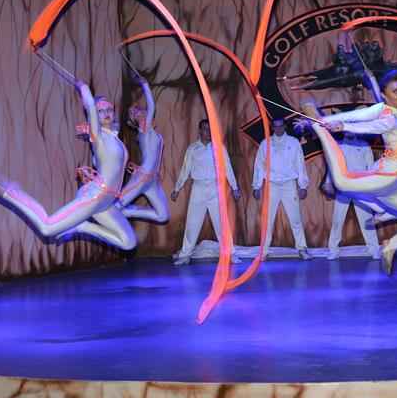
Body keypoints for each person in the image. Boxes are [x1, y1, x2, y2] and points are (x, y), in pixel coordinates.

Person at [298, 70, 397, 275]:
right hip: (387, 178)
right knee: (342, 181)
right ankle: (319, 127)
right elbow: (370, 123)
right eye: (395, 91)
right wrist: (337, 124)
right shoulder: (388, 116)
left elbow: (372, 111)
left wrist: (372, 81)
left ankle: (391, 246)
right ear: (384, 95)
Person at [0, 77, 136, 251]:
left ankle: (83, 227)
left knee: (128, 243)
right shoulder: (98, 137)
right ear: (95, 115)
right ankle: (9, 193)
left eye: (109, 109)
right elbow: (90, 106)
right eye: (100, 111)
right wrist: (84, 88)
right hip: (96, 196)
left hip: (108, 202)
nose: (106, 113)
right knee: (47, 228)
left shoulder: (115, 139)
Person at [171, 119, 241, 265]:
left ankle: (230, 254)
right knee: (192, 223)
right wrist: (177, 189)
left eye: (210, 129)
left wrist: (234, 187)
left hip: (215, 188)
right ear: (200, 131)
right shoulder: (193, 149)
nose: (208, 132)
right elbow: (185, 170)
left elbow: (227, 168)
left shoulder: (219, 148)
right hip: (199, 188)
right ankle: (185, 255)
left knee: (221, 223)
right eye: (205, 129)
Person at [252, 117, 311, 260]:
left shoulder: (293, 142)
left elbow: (300, 164)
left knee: (295, 218)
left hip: (288, 184)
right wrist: (257, 186)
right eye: (275, 126)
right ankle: (264, 251)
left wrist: (302, 185)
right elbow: (259, 165)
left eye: (280, 126)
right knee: (268, 220)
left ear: (285, 126)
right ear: (272, 127)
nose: (278, 129)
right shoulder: (265, 143)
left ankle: (302, 248)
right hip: (271, 184)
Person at [117, 73, 169, 224]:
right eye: (133, 113)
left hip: (152, 180)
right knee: (117, 205)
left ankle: (127, 212)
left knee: (163, 216)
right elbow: (152, 106)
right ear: (133, 121)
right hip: (143, 177)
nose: (137, 111)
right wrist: (145, 85)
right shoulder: (144, 130)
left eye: (138, 109)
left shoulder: (150, 131)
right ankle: (96, 217)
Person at [321, 131, 381, 260]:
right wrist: (328, 182)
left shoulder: (364, 145)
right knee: (337, 219)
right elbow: (332, 166)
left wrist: (372, 187)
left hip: (360, 187)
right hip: (343, 186)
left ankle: (374, 249)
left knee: (366, 219)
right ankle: (333, 250)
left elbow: (371, 168)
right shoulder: (337, 146)